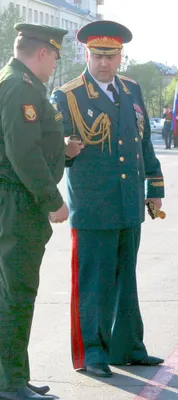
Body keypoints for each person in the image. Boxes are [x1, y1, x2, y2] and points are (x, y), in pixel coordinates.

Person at [51, 20, 165, 378]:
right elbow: (55, 151)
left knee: (125, 278)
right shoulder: (68, 95)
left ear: (121, 57)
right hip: (93, 204)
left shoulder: (131, 90)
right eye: (97, 55)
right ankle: (94, 353)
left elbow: (143, 142)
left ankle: (128, 347)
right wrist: (65, 151)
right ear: (87, 54)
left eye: (111, 56)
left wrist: (155, 190)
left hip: (129, 202)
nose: (104, 63)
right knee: (94, 282)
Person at [0, 23, 83, 400]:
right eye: (54, 58)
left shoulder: (20, 83)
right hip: (18, 202)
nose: (54, 67)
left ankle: (15, 376)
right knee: (16, 292)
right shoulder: (20, 87)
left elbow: (29, 143)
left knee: (13, 292)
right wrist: (53, 201)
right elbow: (22, 153)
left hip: (16, 200)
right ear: (43, 53)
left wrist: (61, 149)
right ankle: (11, 384)